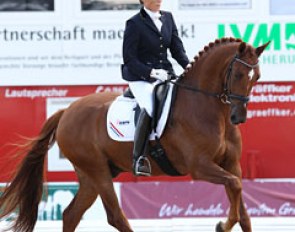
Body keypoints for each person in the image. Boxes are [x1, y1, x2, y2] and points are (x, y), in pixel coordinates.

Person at [121, 0, 190, 176]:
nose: (158, 0)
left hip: (166, 74)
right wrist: (150, 72)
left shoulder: (168, 18)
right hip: (141, 77)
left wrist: (189, 67)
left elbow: (177, 50)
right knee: (150, 107)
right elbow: (129, 58)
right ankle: (139, 158)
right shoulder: (134, 23)